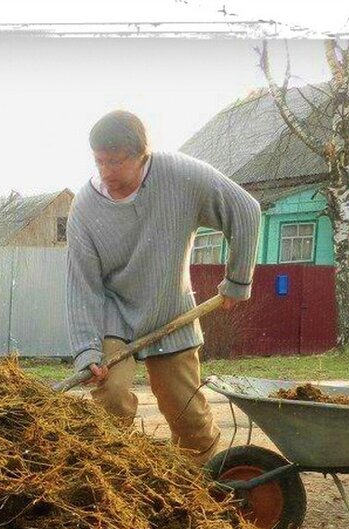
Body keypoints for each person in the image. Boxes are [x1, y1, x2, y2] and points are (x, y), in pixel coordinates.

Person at [65, 110, 261, 466]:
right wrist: (87, 352)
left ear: (143, 155)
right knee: (111, 396)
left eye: (116, 161)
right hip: (115, 315)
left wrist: (237, 280)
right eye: (99, 161)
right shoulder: (85, 207)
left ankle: (193, 486)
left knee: (186, 413)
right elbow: (82, 286)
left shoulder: (180, 176)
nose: (106, 173)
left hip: (171, 309)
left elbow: (245, 209)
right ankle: (112, 479)